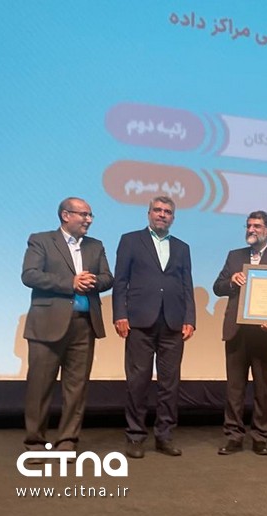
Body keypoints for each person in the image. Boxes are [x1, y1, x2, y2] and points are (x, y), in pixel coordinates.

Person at [20, 197, 113, 458]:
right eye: (83, 214)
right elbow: (30, 275)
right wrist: (70, 282)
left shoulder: (96, 246)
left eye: (90, 215)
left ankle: (67, 441)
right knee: (40, 387)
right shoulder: (41, 240)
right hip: (47, 325)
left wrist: (94, 282)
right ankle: (35, 443)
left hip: (84, 325)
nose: (88, 220)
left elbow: (108, 278)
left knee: (76, 388)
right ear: (65, 215)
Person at [113, 196, 196, 458]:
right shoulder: (130, 240)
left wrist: (190, 318)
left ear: (173, 217)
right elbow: (120, 282)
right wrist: (120, 314)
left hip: (173, 323)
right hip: (139, 322)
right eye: (157, 210)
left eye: (167, 211)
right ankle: (135, 436)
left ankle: (164, 436)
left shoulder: (182, 247)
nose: (162, 214)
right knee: (138, 382)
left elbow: (187, 285)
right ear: (148, 213)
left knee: (170, 384)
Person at [213, 210, 267, 456]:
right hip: (237, 332)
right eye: (248, 225)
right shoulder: (234, 256)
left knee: (263, 389)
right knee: (234, 388)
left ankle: (260, 437)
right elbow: (217, 287)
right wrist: (231, 281)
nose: (251, 230)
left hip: (265, 333)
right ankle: (233, 436)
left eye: (257, 226)